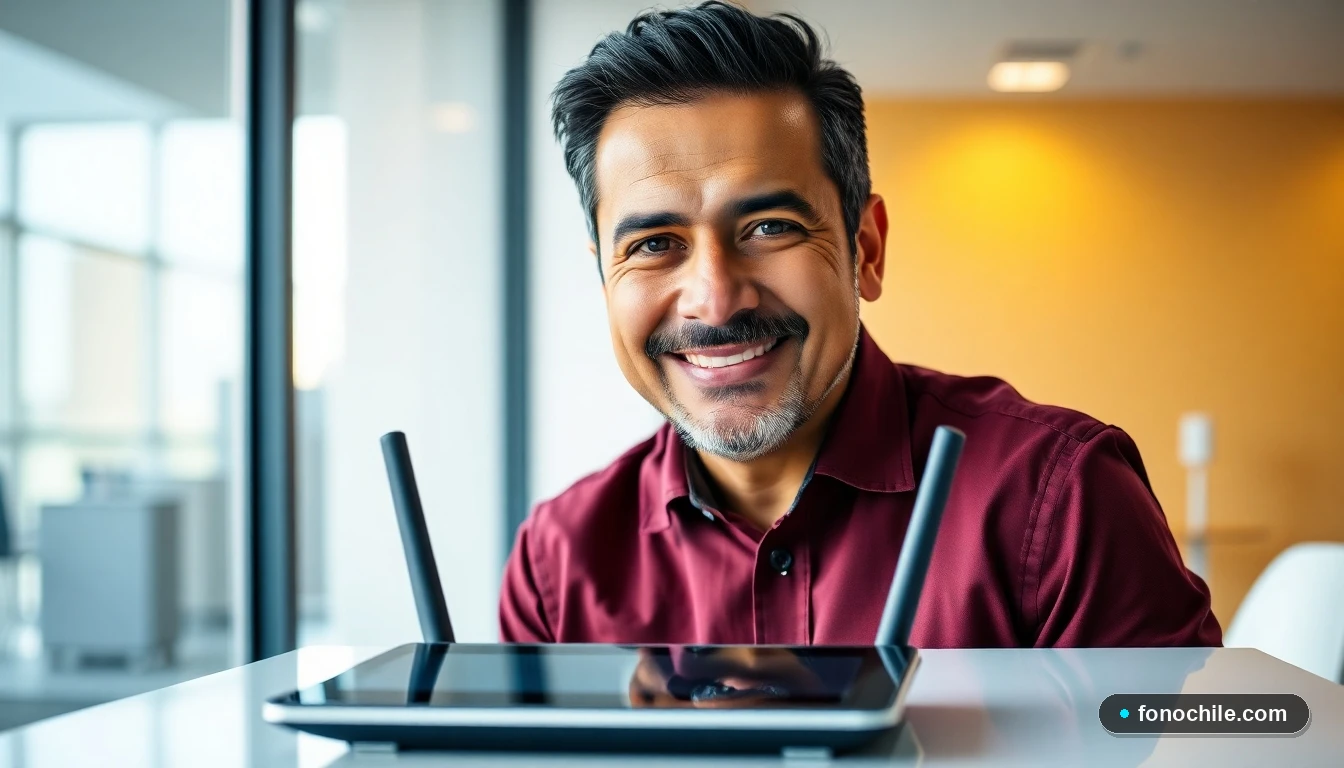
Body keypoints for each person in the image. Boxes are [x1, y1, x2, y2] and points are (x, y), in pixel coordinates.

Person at [500, 1, 1220, 648]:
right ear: (603, 276)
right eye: (654, 245)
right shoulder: (556, 568)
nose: (715, 301)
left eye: (769, 226)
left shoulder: (1062, 500)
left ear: (865, 250)